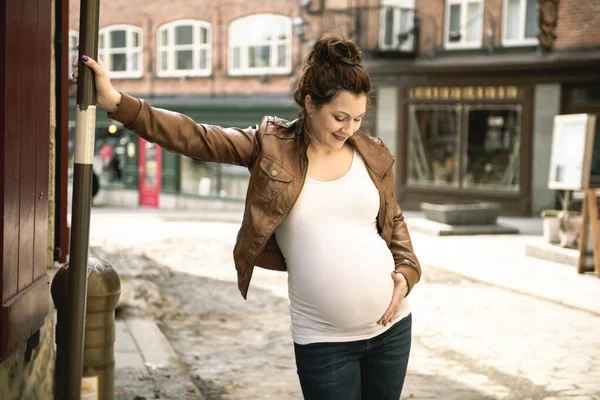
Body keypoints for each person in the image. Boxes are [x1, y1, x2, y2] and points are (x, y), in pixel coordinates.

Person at [73, 35, 421, 400]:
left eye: (358, 118)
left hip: (392, 331)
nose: (349, 128)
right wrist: (116, 102)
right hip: (324, 341)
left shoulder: (373, 154)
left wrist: (406, 273)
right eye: (339, 117)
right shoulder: (270, 147)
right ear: (309, 103)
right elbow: (197, 138)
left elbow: (393, 222)